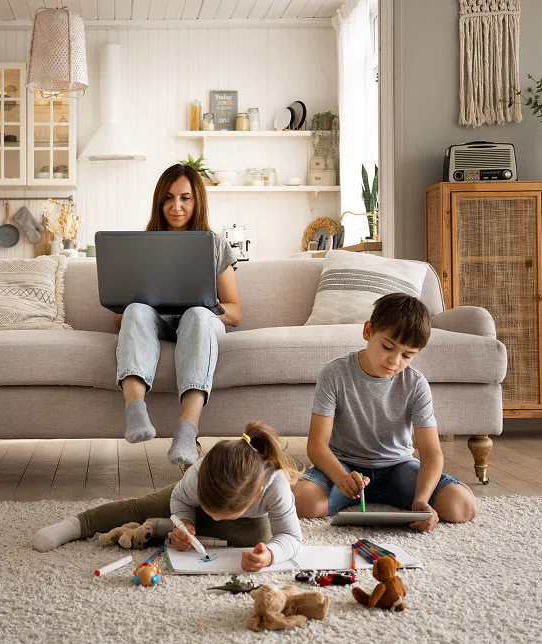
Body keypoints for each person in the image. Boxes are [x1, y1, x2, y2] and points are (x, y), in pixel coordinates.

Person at [291, 292, 478, 532]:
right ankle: (352, 493)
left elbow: (431, 453)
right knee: (301, 501)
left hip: (398, 467)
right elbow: (317, 446)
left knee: (463, 506)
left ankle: (430, 490)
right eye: (388, 347)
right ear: (368, 331)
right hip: (345, 467)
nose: (395, 361)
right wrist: (340, 477)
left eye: (407, 355)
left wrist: (421, 499)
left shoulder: (416, 384)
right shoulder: (334, 374)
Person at [33, 421, 302, 572]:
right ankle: (78, 523)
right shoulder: (198, 473)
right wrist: (184, 523)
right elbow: (180, 501)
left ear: (256, 494)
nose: (213, 516)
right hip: (188, 502)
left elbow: (291, 537)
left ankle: (162, 528)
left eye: (219, 514)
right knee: (145, 506)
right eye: (208, 509)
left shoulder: (275, 486)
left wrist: (270, 556)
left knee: (260, 539)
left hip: (247, 523)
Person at [115, 163, 242, 466]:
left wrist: (205, 307)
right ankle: (135, 413)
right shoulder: (140, 246)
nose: (176, 207)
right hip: (156, 323)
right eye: (169, 198)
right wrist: (140, 302)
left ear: (197, 201)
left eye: (185, 198)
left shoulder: (215, 245)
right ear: (159, 202)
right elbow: (120, 319)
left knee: (197, 316)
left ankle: (187, 430)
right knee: (134, 309)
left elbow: (236, 312)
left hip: (199, 322)